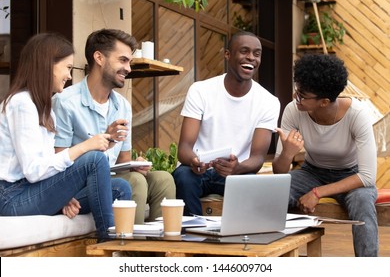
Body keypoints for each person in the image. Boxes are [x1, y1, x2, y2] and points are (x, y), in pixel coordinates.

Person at [0, 33, 131, 241]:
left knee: (121, 188)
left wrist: (63, 195)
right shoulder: (21, 103)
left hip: (31, 190)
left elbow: (44, 168)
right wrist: (85, 146)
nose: (69, 76)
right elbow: (34, 171)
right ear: (47, 65)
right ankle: (110, 244)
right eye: (67, 67)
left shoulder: (45, 109)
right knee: (94, 159)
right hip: (10, 197)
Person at [52, 28, 175, 224]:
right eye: (123, 60)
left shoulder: (122, 106)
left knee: (162, 179)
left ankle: (160, 250)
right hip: (80, 186)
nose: (128, 68)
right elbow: (59, 162)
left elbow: (122, 163)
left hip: (113, 179)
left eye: (129, 62)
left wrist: (135, 166)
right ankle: (129, 250)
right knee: (133, 182)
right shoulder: (66, 102)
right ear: (99, 58)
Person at [272, 54, 378, 257]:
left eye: (303, 95)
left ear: (324, 101)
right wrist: (287, 153)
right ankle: (271, 259)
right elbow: (279, 173)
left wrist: (318, 192)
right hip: (312, 172)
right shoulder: (293, 110)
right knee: (275, 191)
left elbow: (367, 177)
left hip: (351, 176)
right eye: (297, 90)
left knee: (363, 203)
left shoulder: (357, 115)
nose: (296, 98)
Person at [173, 31, 281, 216]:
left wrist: (238, 168)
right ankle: (193, 234)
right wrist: (194, 161)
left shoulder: (269, 101)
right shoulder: (201, 90)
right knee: (183, 177)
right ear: (228, 55)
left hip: (236, 173)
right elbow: (184, 148)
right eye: (244, 51)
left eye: (257, 53)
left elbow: (257, 158)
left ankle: (239, 240)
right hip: (199, 170)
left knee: (251, 184)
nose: (251, 58)